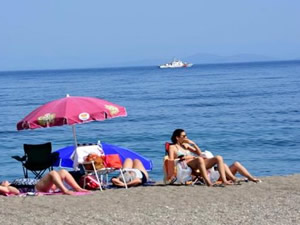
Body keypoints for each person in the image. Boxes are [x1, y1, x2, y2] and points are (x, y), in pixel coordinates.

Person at [0, 169, 88, 196]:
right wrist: (5, 187)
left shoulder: (13, 182)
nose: (3, 181)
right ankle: (65, 190)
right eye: (2, 182)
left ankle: (78, 188)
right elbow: (15, 192)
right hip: (37, 187)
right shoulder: (10, 187)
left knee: (63, 171)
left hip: (45, 184)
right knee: (52, 173)